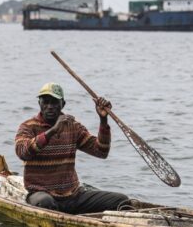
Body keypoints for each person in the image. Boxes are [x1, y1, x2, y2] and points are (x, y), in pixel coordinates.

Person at [15, 82, 129, 214]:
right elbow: (22, 152)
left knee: (121, 201)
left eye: (54, 102)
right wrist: (52, 131)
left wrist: (103, 120)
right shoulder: (28, 127)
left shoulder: (72, 126)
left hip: (72, 196)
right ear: (39, 104)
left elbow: (101, 151)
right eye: (45, 102)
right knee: (46, 203)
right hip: (41, 194)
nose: (50, 107)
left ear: (62, 104)